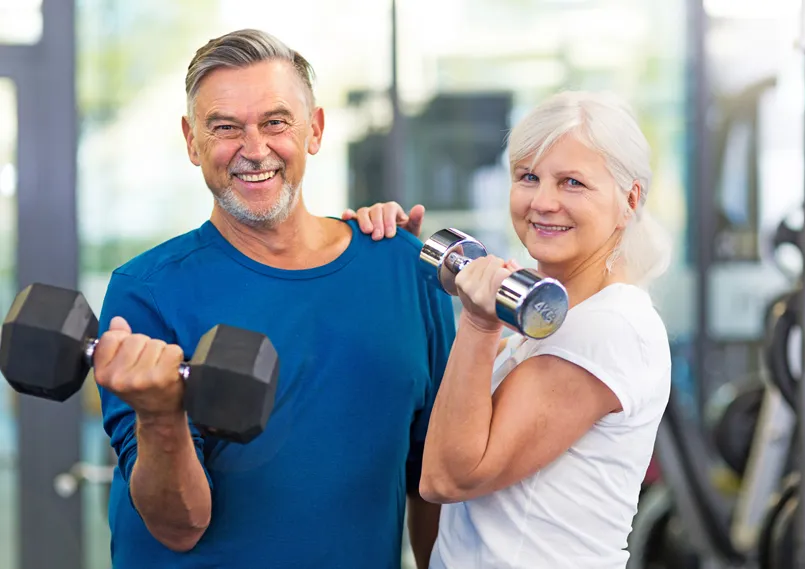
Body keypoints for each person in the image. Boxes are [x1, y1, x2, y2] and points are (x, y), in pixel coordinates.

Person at [91, 28, 455, 569]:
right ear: (193, 141)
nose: (254, 149)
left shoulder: (405, 266)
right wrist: (159, 413)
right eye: (225, 128)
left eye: (275, 122)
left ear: (316, 130)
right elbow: (177, 526)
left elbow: (435, 475)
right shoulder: (145, 292)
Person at [345, 90, 673, 568]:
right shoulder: (548, 320)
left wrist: (478, 323)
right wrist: (402, 262)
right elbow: (460, 418)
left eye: (572, 183)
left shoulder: (610, 327)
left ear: (629, 198)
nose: (543, 202)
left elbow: (448, 478)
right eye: (528, 177)